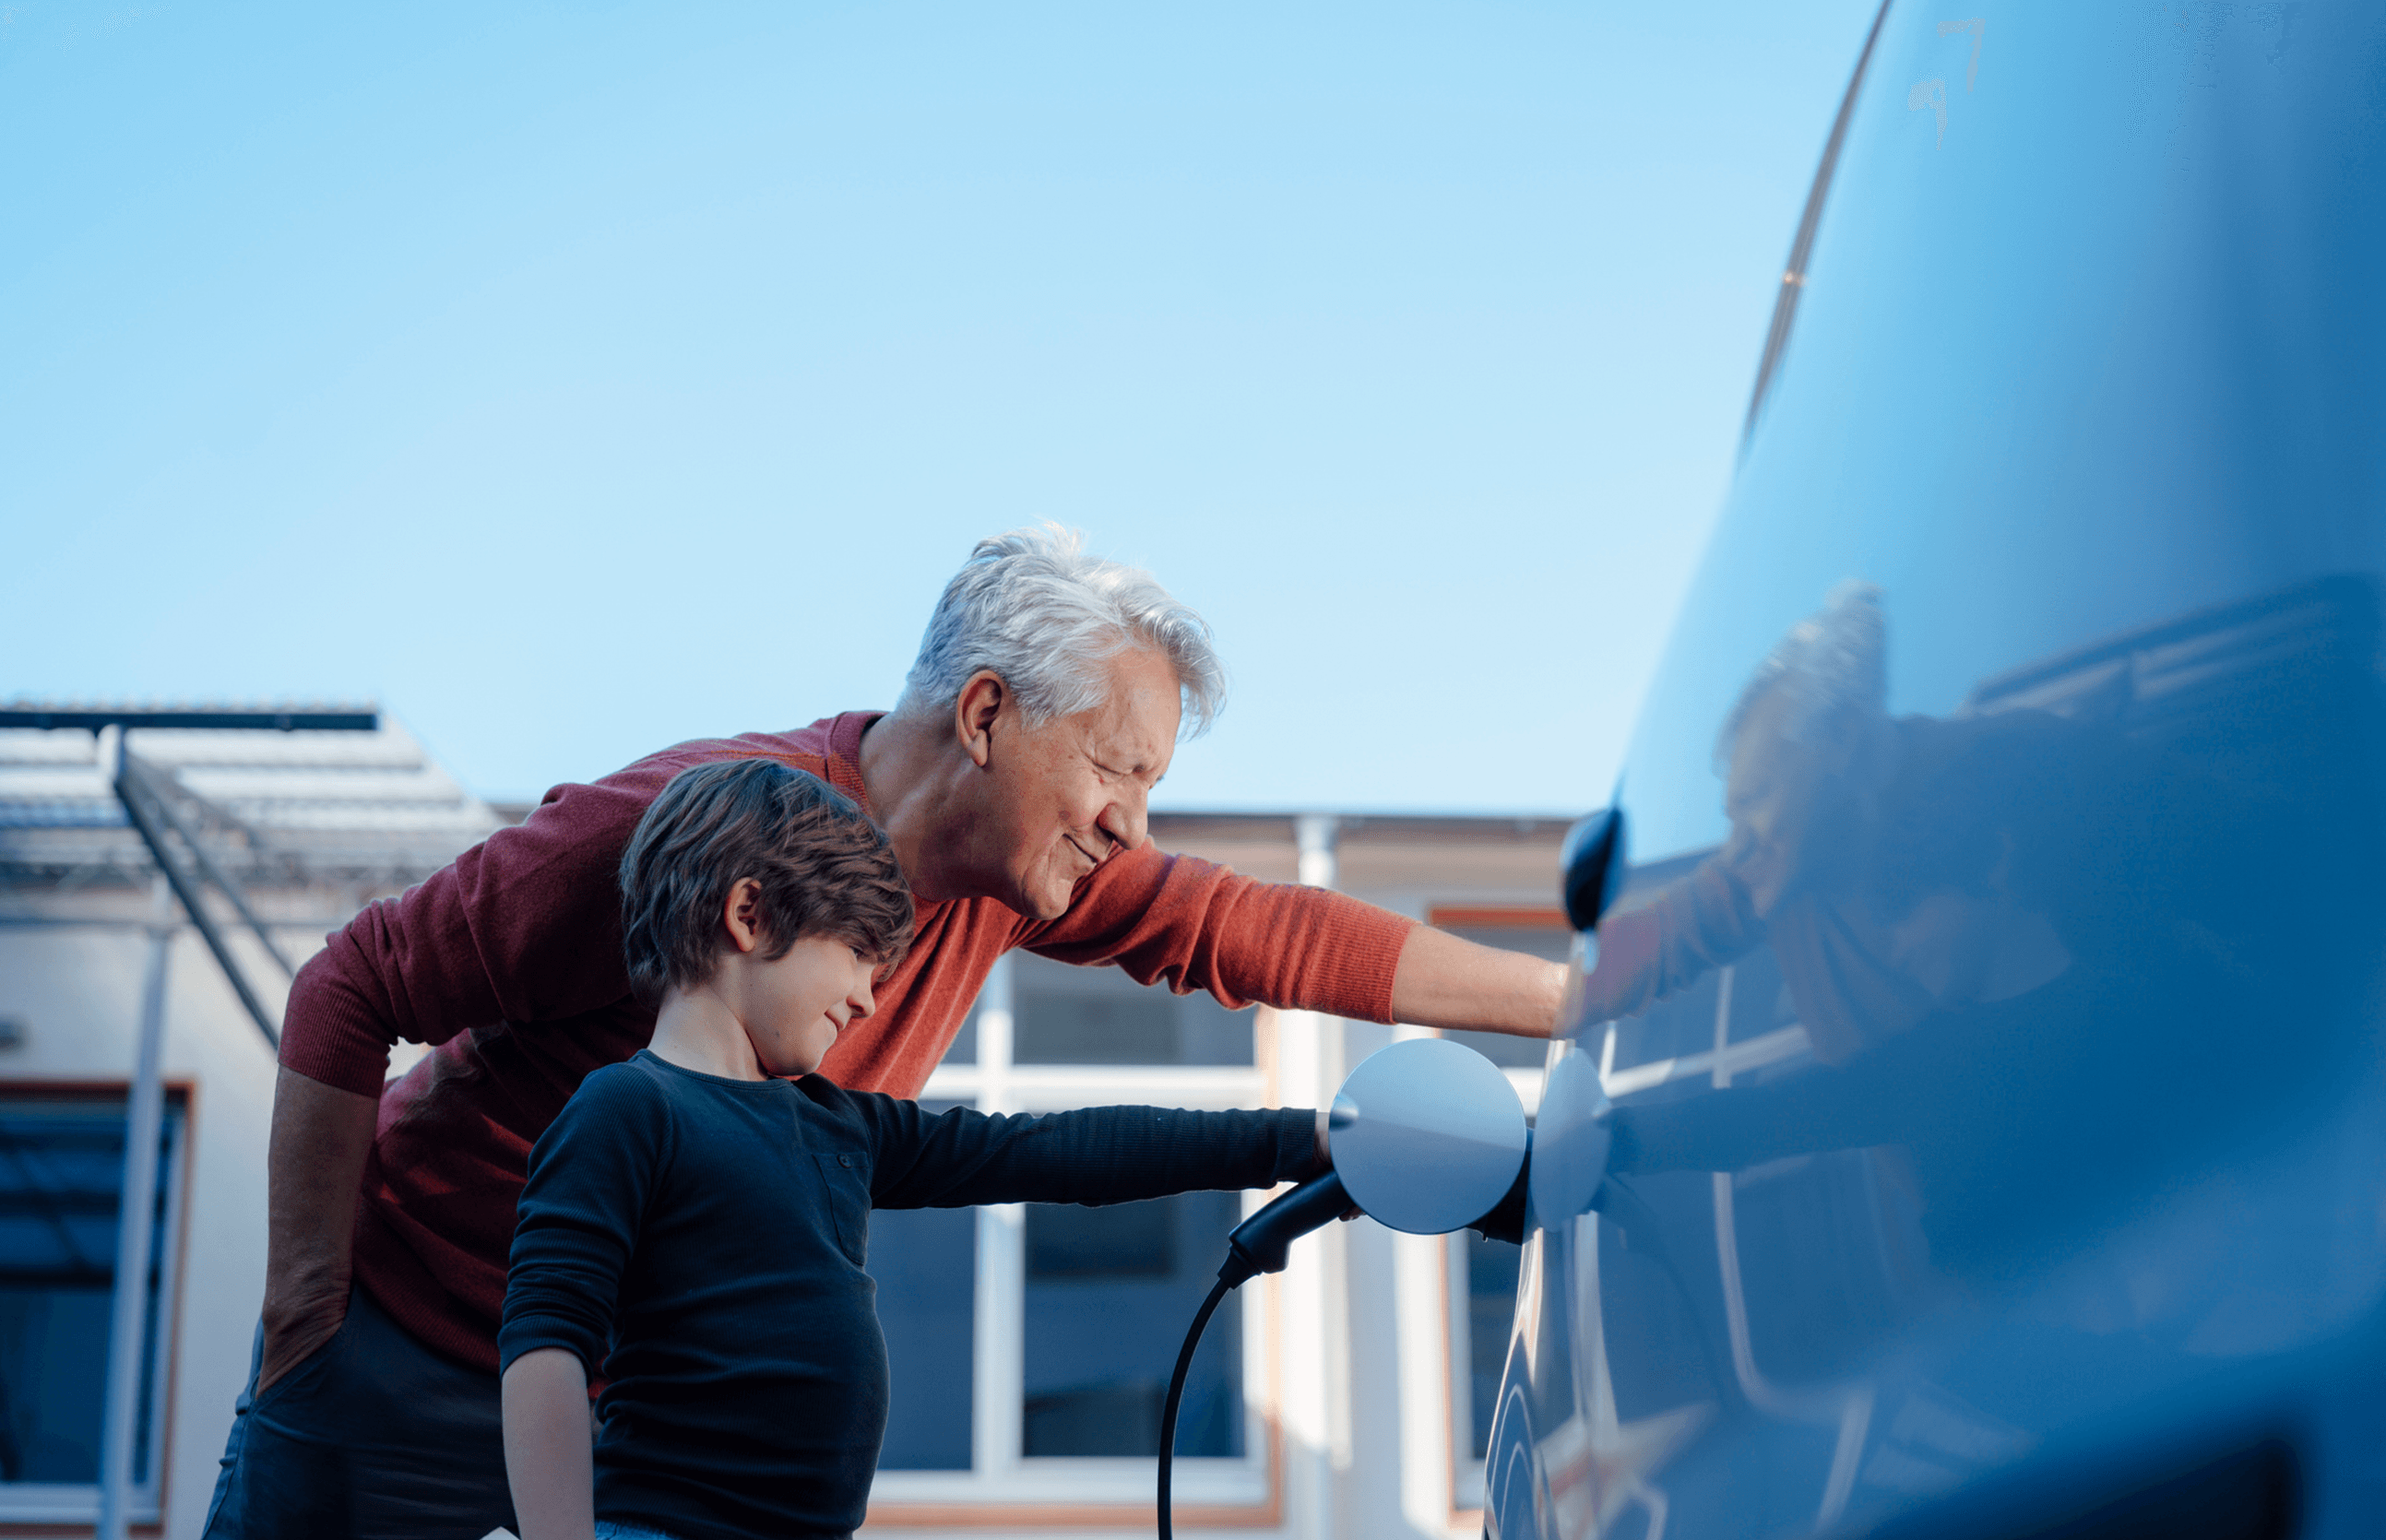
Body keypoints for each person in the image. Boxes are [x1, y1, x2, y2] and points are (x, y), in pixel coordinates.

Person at [205, 526, 1568, 1540]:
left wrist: (1578, 1006)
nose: (1131, 823)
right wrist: (305, 1321)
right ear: (984, 714)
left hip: (649, 1445)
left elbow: (1251, 948)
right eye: (1113, 767)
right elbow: (352, 985)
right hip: (402, 1358)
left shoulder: (1012, 881)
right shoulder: (691, 831)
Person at [502, 756, 1330, 1540]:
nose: (866, 999)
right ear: (748, 916)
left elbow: (1056, 1150)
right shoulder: (629, 1109)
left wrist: (1309, 1141)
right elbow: (546, 1342)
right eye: (857, 957)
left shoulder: (838, 1124)